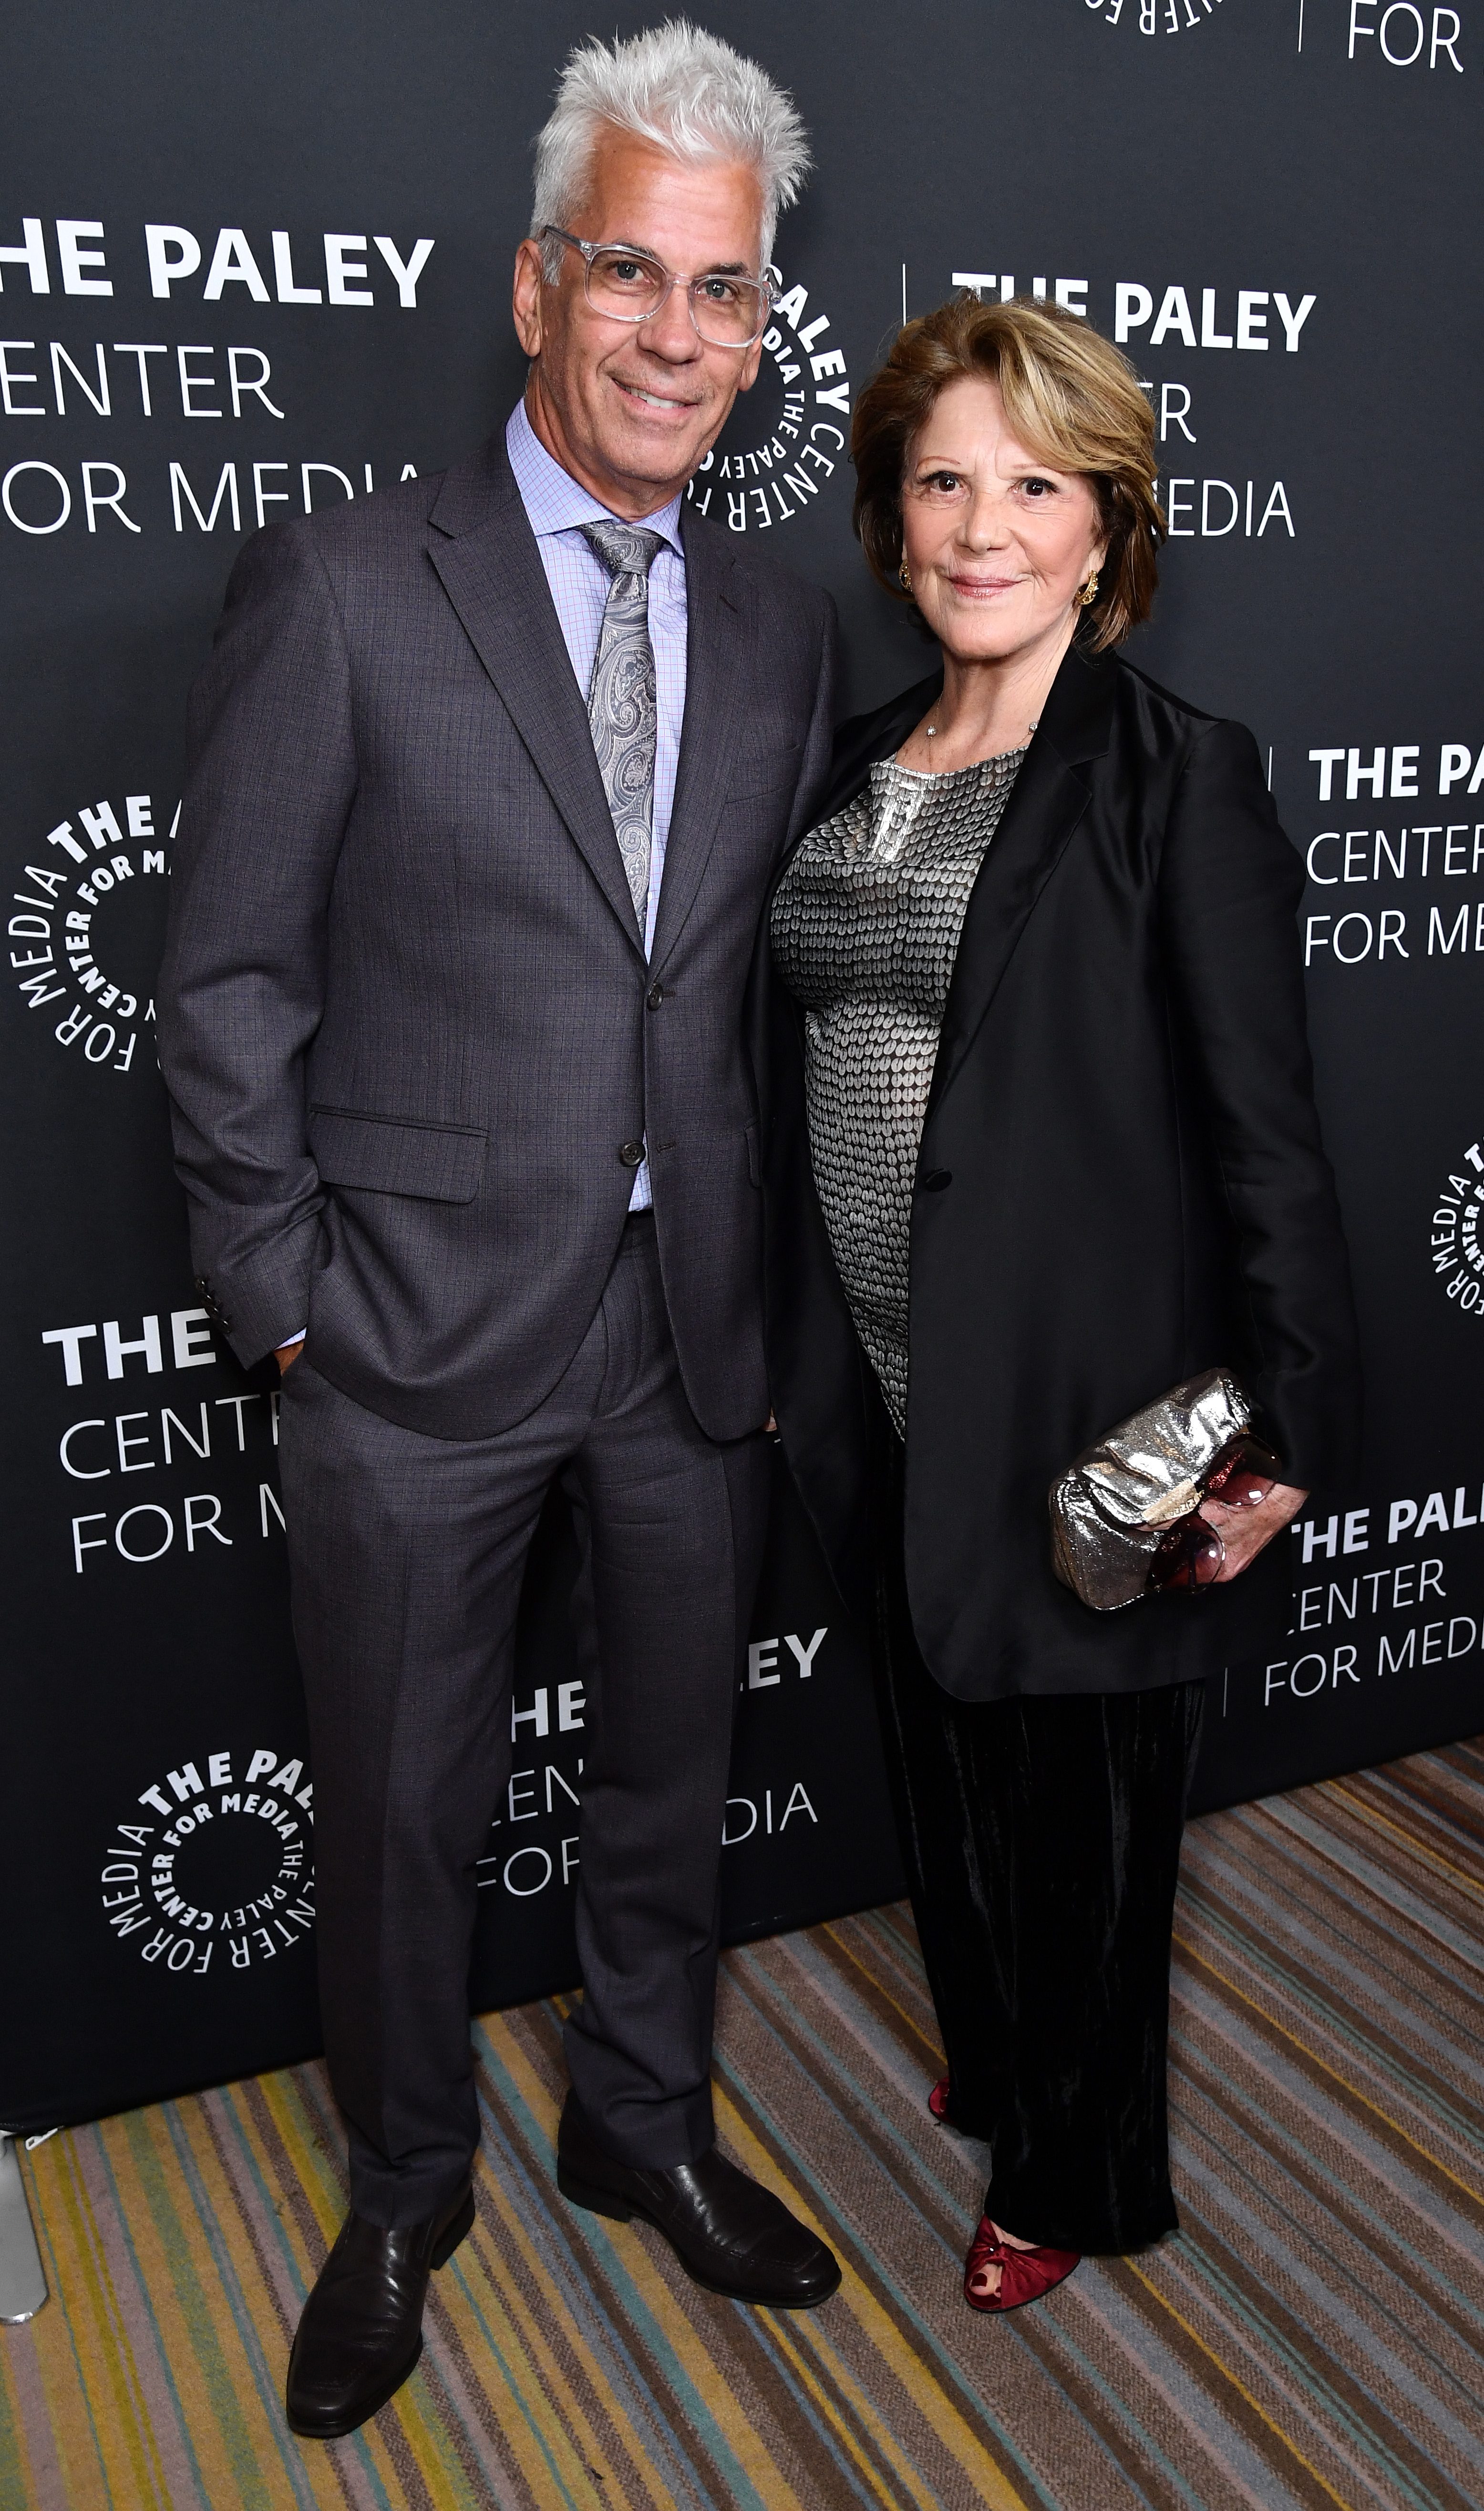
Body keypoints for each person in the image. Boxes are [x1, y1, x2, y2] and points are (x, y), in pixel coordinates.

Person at [158, 22, 842, 2442]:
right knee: (400, 1797)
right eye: (635, 277)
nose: (680, 337)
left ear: (766, 324)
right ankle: (405, 2175)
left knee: (671, 1762)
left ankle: (640, 2115)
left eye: (728, 295)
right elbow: (226, 975)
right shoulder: (352, 583)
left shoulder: (774, 626)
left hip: (687, 1329)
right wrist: (283, 1308)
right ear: (541, 283)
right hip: (410, 1341)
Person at [763, 297, 1360, 2313]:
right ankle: (1005, 2051)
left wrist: (1275, 1423)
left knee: (1090, 1825)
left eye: (1034, 482)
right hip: (872, 1378)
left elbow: (1266, 1133)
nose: (981, 523)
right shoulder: (852, 763)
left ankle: (1079, 2172)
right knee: (940, 1763)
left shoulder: (1173, 778)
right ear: (891, 516)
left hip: (1094, 1403)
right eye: (943, 479)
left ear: (1108, 524)